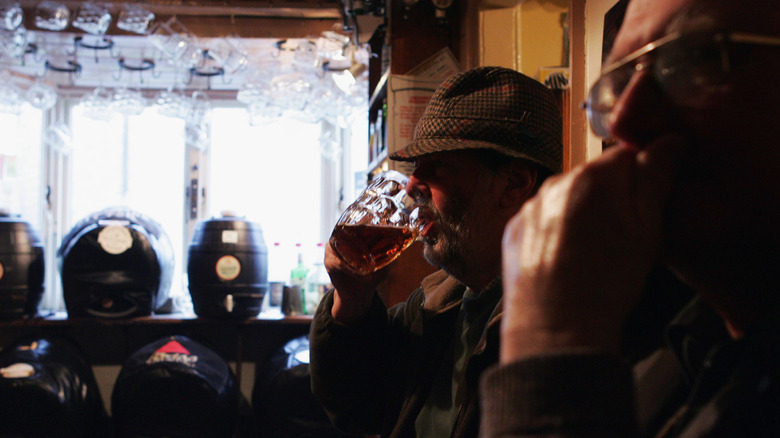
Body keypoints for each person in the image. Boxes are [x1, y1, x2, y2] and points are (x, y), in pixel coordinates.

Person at [480, 0, 780, 436]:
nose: (626, 120)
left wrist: (550, 345)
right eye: (617, 86)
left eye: (689, 61)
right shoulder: (683, 355)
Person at [309, 66, 563, 438]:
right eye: (415, 167)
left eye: (437, 166)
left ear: (514, 183)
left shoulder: (568, 319)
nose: (412, 184)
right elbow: (358, 408)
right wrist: (352, 299)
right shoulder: (436, 303)